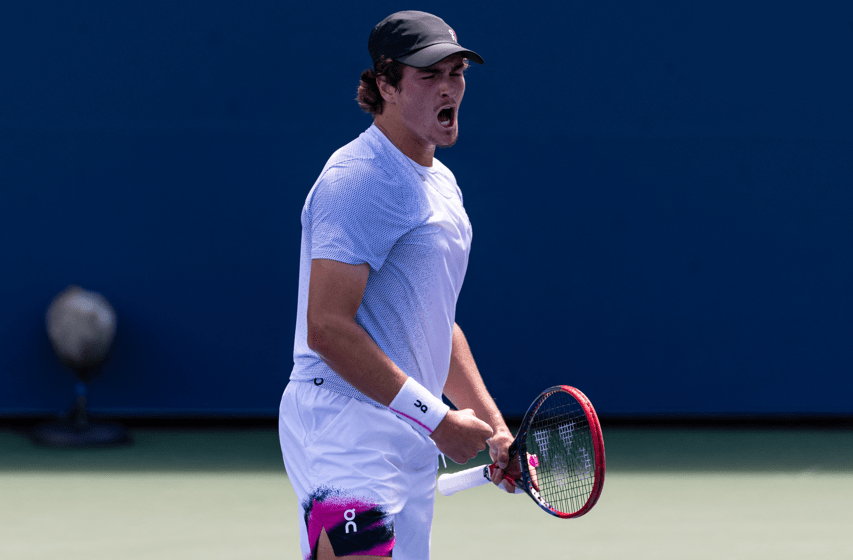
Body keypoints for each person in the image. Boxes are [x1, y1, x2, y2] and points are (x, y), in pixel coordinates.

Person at [278, 11, 516, 560]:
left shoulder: (443, 186)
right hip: (341, 423)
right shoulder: (357, 180)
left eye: (456, 72)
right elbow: (328, 329)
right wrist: (437, 420)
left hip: (409, 432)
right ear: (384, 84)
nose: (449, 87)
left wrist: (493, 427)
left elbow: (434, 321)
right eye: (430, 75)